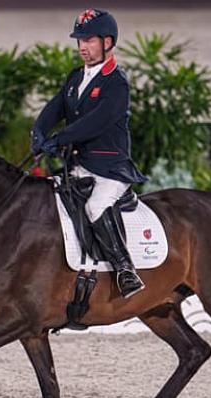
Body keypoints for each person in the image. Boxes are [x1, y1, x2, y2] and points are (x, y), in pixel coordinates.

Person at [32, 9, 148, 299]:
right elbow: (56, 107)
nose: (83, 47)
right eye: (80, 41)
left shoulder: (116, 82)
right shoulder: (75, 78)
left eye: (89, 40)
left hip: (110, 169)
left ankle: (125, 270)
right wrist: (39, 132)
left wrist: (61, 138)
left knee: (96, 207)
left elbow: (97, 122)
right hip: (79, 167)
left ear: (107, 42)